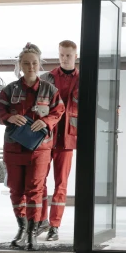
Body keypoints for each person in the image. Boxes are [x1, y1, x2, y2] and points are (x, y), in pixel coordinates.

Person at [0, 43, 64, 251]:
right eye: (26, 63)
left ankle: (33, 232)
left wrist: (46, 121)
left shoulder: (50, 90)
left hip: (40, 148)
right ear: (20, 65)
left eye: (34, 63)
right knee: (16, 189)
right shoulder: (10, 90)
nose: (31, 66)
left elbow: (58, 111)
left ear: (39, 64)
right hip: (14, 147)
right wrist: (9, 117)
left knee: (34, 189)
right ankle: (21, 229)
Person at [35, 40, 79, 242]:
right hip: (45, 137)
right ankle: (40, 221)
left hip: (68, 140)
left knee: (61, 185)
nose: (65, 58)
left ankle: (55, 226)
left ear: (75, 56)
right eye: (62, 55)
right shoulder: (46, 78)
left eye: (68, 55)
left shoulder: (84, 79)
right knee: (40, 182)